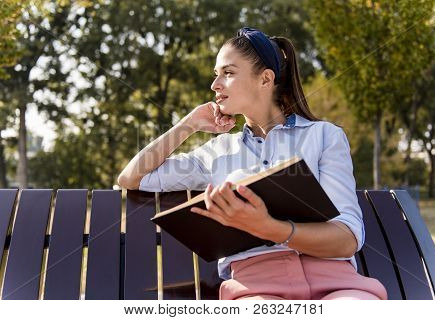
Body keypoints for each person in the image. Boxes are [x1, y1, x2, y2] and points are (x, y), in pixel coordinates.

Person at [117, 27, 388, 300]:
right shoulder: (218, 151)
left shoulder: (325, 136)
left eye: (228, 73)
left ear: (265, 79)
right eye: (216, 74)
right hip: (257, 287)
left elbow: (346, 240)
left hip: (338, 285)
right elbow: (131, 178)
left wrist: (269, 227)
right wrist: (188, 125)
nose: (215, 85)